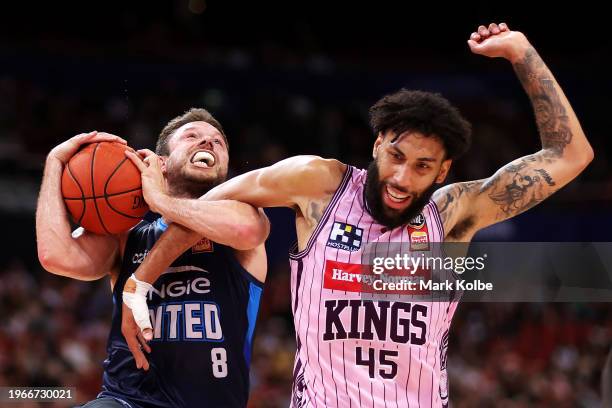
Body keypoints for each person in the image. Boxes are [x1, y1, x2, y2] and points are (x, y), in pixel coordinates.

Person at [123, 23, 594, 406]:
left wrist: (521, 52)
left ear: (443, 170)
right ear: (376, 144)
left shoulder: (453, 214)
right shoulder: (318, 184)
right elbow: (203, 211)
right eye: (396, 156)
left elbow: (570, 155)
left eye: (423, 166)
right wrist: (139, 284)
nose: (403, 177)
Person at [36, 109, 270, 407]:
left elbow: (246, 229)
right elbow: (55, 256)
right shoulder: (126, 235)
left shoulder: (243, 211)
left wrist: (159, 200)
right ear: (160, 163)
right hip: (127, 400)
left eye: (218, 142)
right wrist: (55, 163)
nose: (208, 143)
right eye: (192, 137)